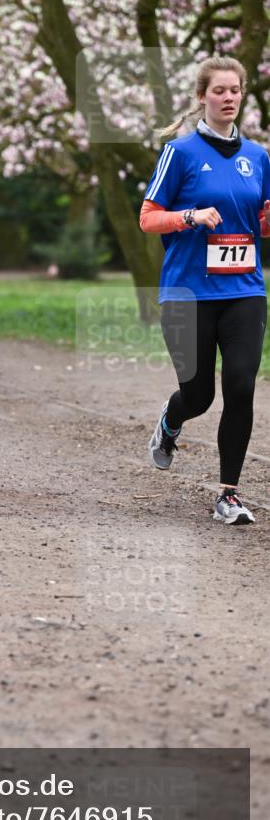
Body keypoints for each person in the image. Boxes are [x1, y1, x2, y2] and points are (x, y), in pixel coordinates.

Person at [140, 55, 270, 525]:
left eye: (235, 90)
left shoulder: (258, 157)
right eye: (219, 90)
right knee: (199, 396)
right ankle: (171, 422)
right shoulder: (180, 153)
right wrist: (190, 217)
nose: (229, 98)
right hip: (188, 293)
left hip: (245, 290)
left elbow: (261, 223)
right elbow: (148, 217)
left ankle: (229, 494)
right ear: (202, 97)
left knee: (240, 385)